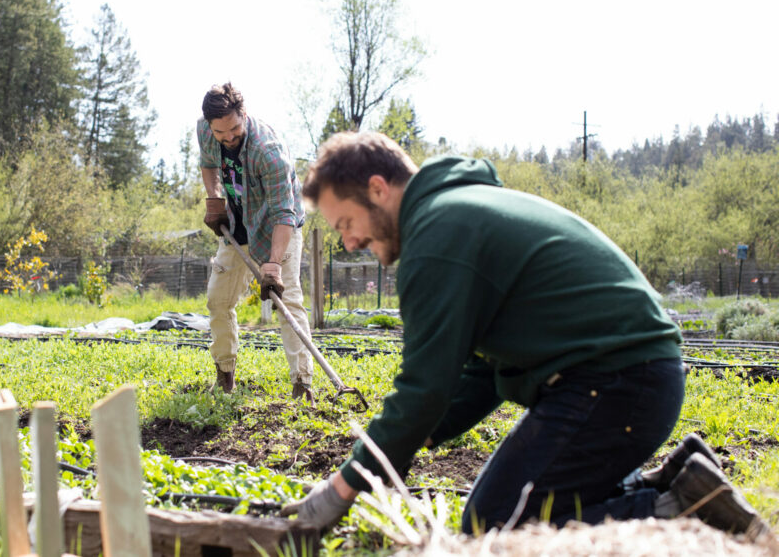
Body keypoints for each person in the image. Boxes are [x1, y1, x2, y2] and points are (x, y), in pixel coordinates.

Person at [283, 131, 768, 538]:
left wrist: (344, 486)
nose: (348, 243)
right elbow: (478, 370)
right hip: (630, 376)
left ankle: (683, 511)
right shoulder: (457, 210)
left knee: (495, 527)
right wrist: (411, 440)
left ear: (377, 188)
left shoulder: (436, 237)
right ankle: (677, 484)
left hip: (616, 380)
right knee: (508, 511)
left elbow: (424, 389)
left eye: (346, 223)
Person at [197, 82, 315, 402]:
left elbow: (283, 213)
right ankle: (224, 376)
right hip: (236, 226)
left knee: (286, 300)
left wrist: (273, 264)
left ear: (244, 114)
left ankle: (303, 384)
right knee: (218, 300)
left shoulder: (268, 151)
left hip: (276, 227)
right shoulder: (207, 131)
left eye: (234, 128)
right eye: (221, 133)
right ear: (210, 126)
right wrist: (214, 200)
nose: (229, 137)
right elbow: (208, 163)